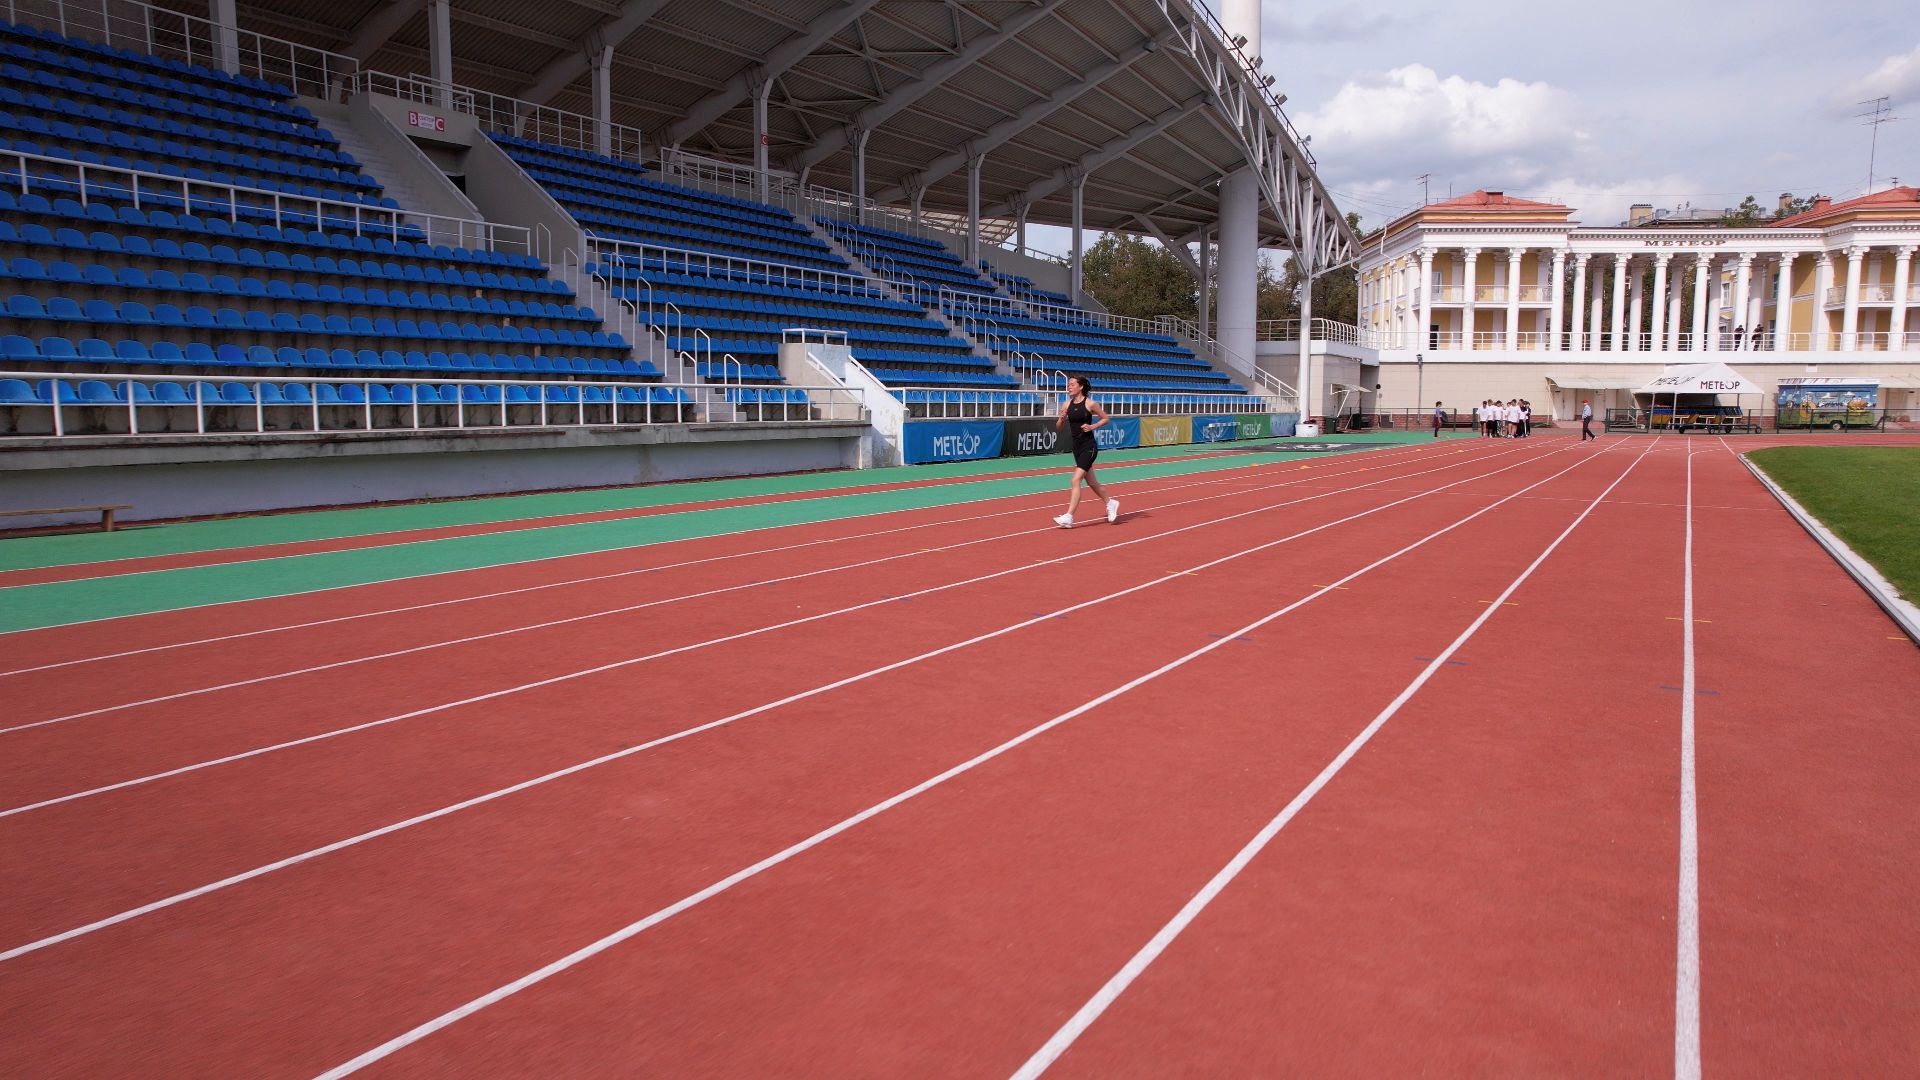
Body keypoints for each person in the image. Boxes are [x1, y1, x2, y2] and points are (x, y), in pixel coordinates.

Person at [1053, 375, 1118, 527]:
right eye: (1068, 385)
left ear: (1081, 386)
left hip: (1089, 447)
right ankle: (1111, 503)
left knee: (1075, 480)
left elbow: (1105, 418)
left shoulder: (1090, 404)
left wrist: (1092, 426)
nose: (1069, 387)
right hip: (1077, 448)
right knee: (1092, 482)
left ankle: (1069, 516)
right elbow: (1059, 428)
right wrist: (1062, 419)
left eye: (1072, 384)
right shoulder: (1066, 405)